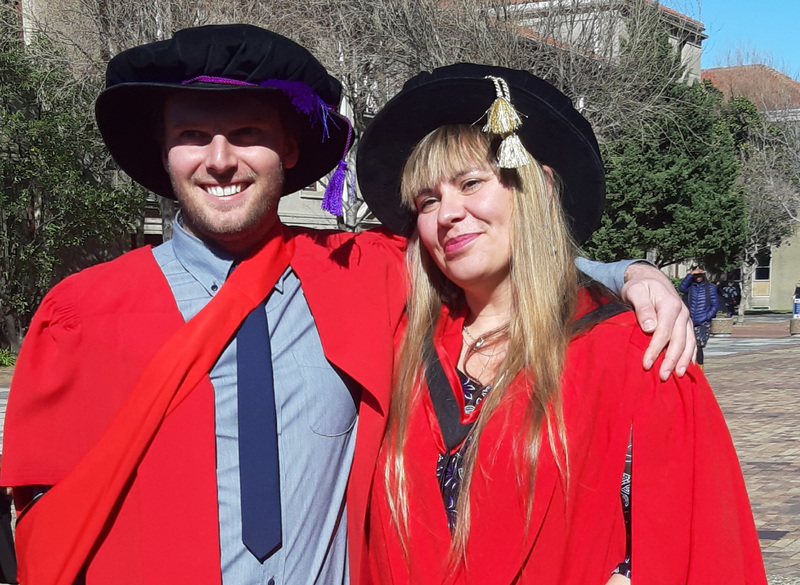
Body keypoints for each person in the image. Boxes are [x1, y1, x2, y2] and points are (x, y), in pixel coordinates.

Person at [0, 26, 692, 585]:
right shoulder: (82, 315)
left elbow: (489, 253)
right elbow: (40, 523)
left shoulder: (359, 272)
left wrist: (629, 275)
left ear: (289, 148)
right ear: (163, 150)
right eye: (190, 134)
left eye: (246, 133)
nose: (219, 158)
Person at [354, 64, 765, 584]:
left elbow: (696, 548)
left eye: (471, 183)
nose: (447, 213)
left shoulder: (634, 353)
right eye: (428, 200)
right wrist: (630, 270)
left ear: (540, 187)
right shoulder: (400, 343)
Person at [680, 267, 719, 368]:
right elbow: (681, 288)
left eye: (700, 275)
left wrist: (707, 316)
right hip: (691, 320)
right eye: (696, 275)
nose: (698, 277)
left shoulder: (710, 288)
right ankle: (692, 367)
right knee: (689, 345)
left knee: (699, 346)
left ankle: (700, 368)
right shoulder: (691, 287)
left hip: (703, 322)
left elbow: (715, 305)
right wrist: (690, 275)